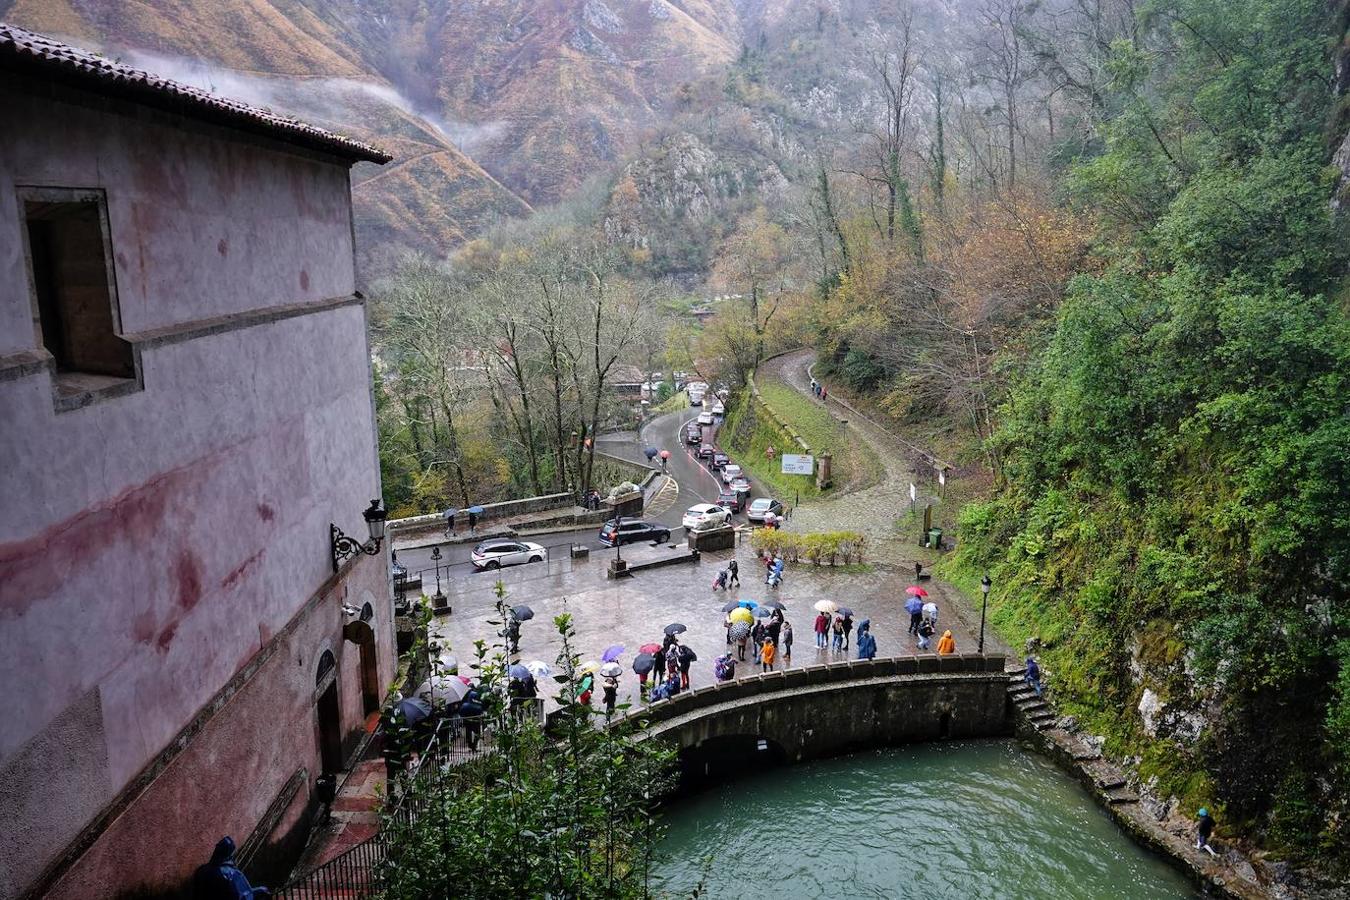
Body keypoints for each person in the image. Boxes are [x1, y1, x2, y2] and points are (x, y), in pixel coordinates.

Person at [193, 836, 270, 899]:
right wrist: (259, 890)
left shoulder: (201, 871)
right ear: (230, 855)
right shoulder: (232, 874)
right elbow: (244, 896)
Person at [459, 686, 484, 750]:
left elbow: (461, 713)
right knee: (477, 733)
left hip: (467, 721)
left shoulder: (465, 705)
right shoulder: (478, 705)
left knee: (468, 733)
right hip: (475, 722)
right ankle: (474, 745)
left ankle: (470, 745)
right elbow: (481, 712)